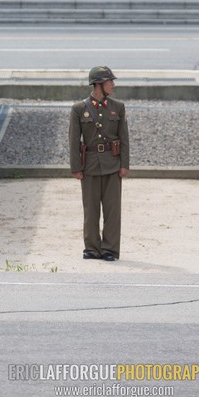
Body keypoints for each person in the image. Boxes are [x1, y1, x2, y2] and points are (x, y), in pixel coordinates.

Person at [69, 66, 130, 261]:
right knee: (91, 209)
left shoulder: (117, 107)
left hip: (112, 164)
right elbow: (73, 141)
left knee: (113, 210)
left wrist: (124, 165)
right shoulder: (79, 109)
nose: (112, 84)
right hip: (90, 166)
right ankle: (92, 248)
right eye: (109, 81)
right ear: (97, 84)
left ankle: (110, 249)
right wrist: (76, 167)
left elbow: (124, 138)